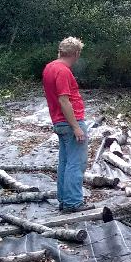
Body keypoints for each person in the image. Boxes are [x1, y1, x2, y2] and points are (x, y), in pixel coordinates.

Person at [42, 36, 94, 213]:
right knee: (76, 163)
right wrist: (76, 127)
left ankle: (65, 200)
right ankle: (73, 202)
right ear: (76, 53)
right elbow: (64, 100)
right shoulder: (63, 71)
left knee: (65, 162)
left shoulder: (50, 68)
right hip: (69, 122)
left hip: (59, 121)